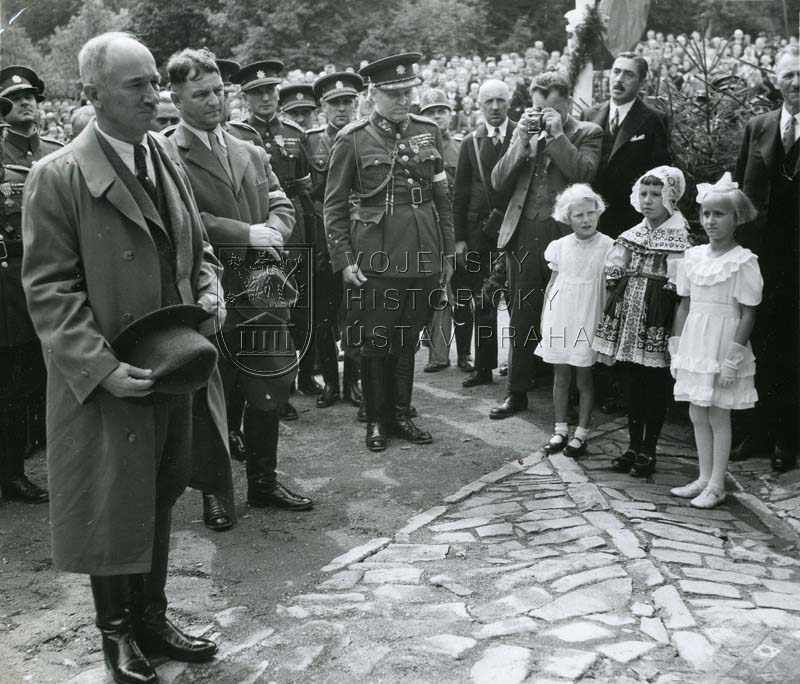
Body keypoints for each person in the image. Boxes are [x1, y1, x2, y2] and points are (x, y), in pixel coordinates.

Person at [21, 32, 225, 684]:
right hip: (109, 380)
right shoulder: (58, 177)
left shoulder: (160, 156)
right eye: (137, 85)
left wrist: (209, 285)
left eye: (153, 83)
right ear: (92, 94)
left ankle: (152, 618)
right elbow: (50, 292)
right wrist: (102, 368)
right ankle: (118, 638)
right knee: (114, 506)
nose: (155, 97)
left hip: (169, 366)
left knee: (160, 494)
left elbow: (195, 245)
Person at [165, 48, 313, 519]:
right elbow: (181, 220)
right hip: (207, 289)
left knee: (269, 384)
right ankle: (216, 492)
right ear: (177, 96)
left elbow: (282, 203)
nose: (213, 101)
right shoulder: (168, 152)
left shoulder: (249, 149)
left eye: (218, 92)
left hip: (263, 285)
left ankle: (264, 483)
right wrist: (245, 233)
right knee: (213, 395)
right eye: (200, 93)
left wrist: (273, 232)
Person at [324, 52, 455, 452]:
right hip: (376, 258)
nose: (403, 101)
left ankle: (401, 413)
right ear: (374, 93)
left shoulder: (428, 131)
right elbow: (333, 207)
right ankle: (377, 421)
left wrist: (446, 255)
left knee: (407, 339)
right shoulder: (353, 139)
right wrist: (344, 261)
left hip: (423, 253)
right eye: (394, 93)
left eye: (408, 92)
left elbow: (441, 199)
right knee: (375, 343)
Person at [489, 72, 603, 419]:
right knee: (522, 315)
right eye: (539, 109)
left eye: (552, 109)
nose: (544, 115)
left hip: (567, 238)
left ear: (568, 103)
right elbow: (497, 183)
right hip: (525, 233)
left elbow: (584, 174)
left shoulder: (587, 132)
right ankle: (517, 391)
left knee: (566, 315)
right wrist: (521, 140)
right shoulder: (523, 133)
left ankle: (565, 392)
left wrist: (556, 136)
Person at [669, 173, 762, 508]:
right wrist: (677, 349)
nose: (710, 221)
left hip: (723, 342)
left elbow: (748, 313)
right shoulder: (693, 257)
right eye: (706, 214)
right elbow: (684, 304)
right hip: (696, 340)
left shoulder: (743, 262)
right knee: (697, 412)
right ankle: (703, 477)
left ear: (736, 218)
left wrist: (734, 357)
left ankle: (718, 484)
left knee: (718, 414)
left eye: (719, 214)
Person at [592, 166, 691, 478]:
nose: (648, 200)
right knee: (631, 381)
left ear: (671, 198)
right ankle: (634, 444)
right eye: (644, 194)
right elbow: (615, 267)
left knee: (654, 383)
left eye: (657, 195)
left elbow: (680, 285)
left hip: (656, 317)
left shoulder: (677, 238)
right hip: (628, 316)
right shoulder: (632, 235)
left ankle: (650, 447)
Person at [232, 60, 317, 421]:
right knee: (263, 312)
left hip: (290, 231)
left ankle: (290, 382)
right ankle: (268, 393)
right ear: (245, 97)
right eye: (257, 92)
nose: (265, 98)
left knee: (294, 310)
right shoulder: (235, 134)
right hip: (254, 235)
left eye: (270, 91)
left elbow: (303, 191)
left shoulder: (295, 133)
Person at [733, 46, 799, 472]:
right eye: (790, 74)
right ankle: (754, 432)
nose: (797, 82)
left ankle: (785, 436)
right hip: (760, 258)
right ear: (776, 79)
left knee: (793, 347)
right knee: (757, 343)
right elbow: (740, 192)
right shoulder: (758, 127)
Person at [536, 184, 614, 457]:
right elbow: (552, 286)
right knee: (560, 376)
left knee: (583, 376)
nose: (586, 220)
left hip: (587, 316)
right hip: (561, 316)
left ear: (598, 213)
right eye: (579, 215)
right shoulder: (559, 247)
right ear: (567, 218)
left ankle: (582, 432)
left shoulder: (607, 246)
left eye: (591, 213)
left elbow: (609, 289)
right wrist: (547, 319)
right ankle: (560, 430)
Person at [0, 96, 49, 504]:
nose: (23, 105)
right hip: (10, 283)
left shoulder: (53, 151)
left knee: (46, 377)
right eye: (11, 100)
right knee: (12, 384)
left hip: (56, 277)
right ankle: (12, 473)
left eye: (29, 98)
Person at [307, 71, 366, 411]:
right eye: (335, 103)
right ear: (322, 107)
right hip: (323, 239)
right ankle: (330, 380)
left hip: (359, 237)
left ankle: (353, 381)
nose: (342, 109)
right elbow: (310, 195)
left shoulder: (365, 138)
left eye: (348, 102)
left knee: (357, 312)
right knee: (324, 315)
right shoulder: (311, 142)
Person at [452, 79, 516, 387]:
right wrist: (459, 238)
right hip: (479, 235)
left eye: (500, 101)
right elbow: (459, 194)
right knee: (484, 301)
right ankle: (483, 367)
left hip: (516, 230)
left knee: (520, 301)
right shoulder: (470, 142)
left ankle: (521, 369)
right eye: (488, 101)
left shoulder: (522, 135)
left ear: (509, 102)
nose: (494, 107)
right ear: (479, 104)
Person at [417, 87, 470, 374]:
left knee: (462, 293)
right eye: (430, 112)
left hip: (456, 228)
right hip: (427, 228)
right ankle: (438, 354)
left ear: (450, 113)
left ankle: (464, 355)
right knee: (434, 290)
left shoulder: (463, 145)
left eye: (441, 110)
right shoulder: (416, 145)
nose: (436, 116)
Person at [0, 66, 64, 166]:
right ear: (2, 110)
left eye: (28, 97)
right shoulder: (2, 154)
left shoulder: (58, 151)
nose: (24, 102)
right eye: (16, 99)